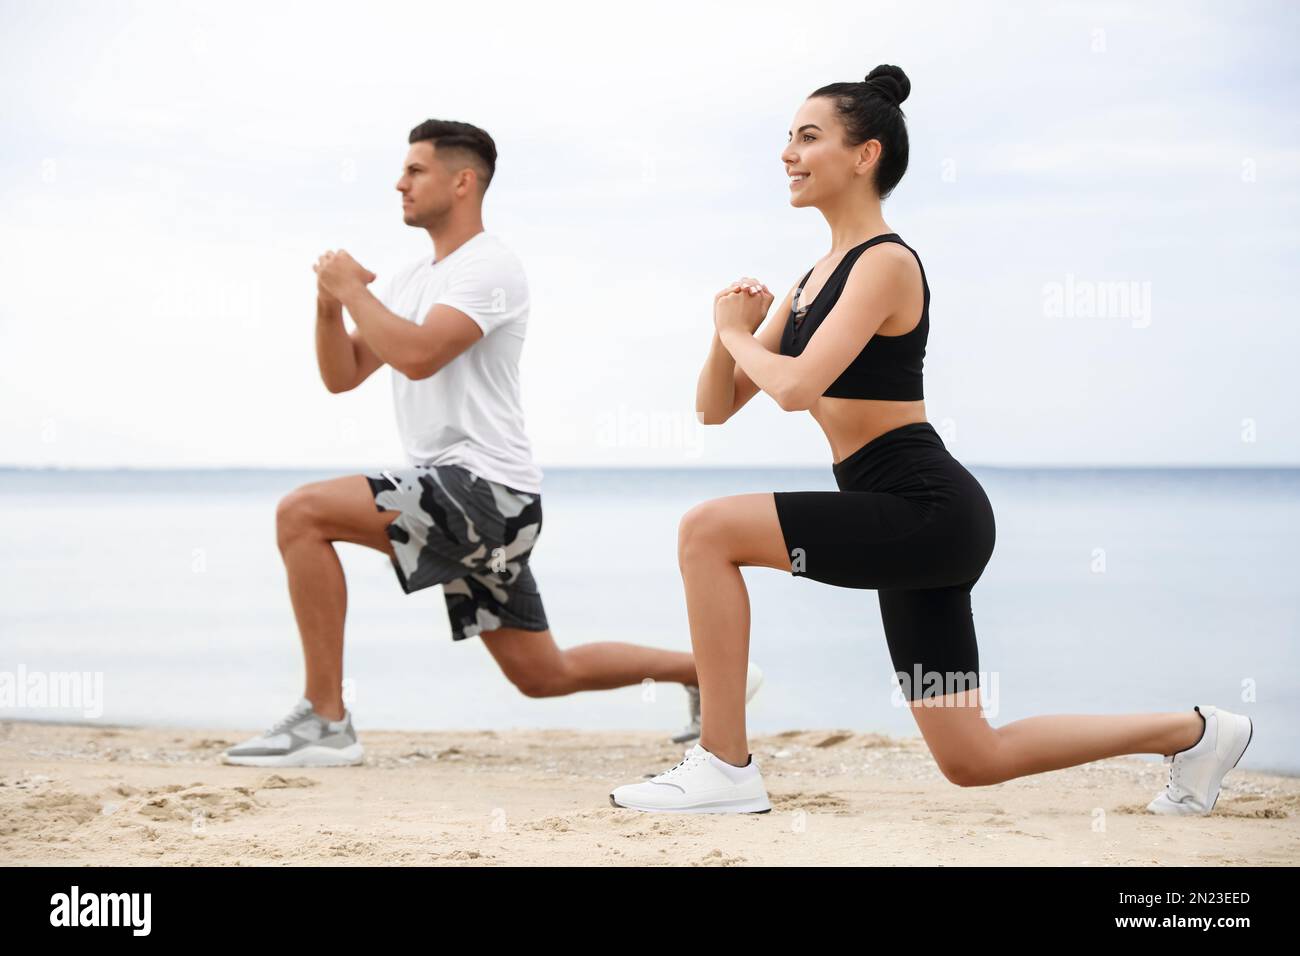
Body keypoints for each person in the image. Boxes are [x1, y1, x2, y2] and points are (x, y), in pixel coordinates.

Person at [609, 66, 1252, 814]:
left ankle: (724, 766)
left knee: (706, 531)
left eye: (808, 137)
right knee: (972, 757)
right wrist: (726, 336)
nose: (788, 152)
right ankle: (1199, 732)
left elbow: (794, 390)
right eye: (787, 137)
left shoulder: (885, 263)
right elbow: (716, 407)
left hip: (924, 507)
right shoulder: (814, 278)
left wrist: (731, 331)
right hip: (909, 522)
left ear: (865, 155)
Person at [223, 119, 760, 767]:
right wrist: (329, 303)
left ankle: (326, 720)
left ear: (462, 180)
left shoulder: (492, 267)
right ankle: (708, 671)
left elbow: (419, 356)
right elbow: (343, 376)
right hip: (474, 499)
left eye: (415, 170)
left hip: (486, 493)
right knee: (543, 674)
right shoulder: (411, 276)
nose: (400, 182)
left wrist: (353, 290)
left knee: (301, 514)